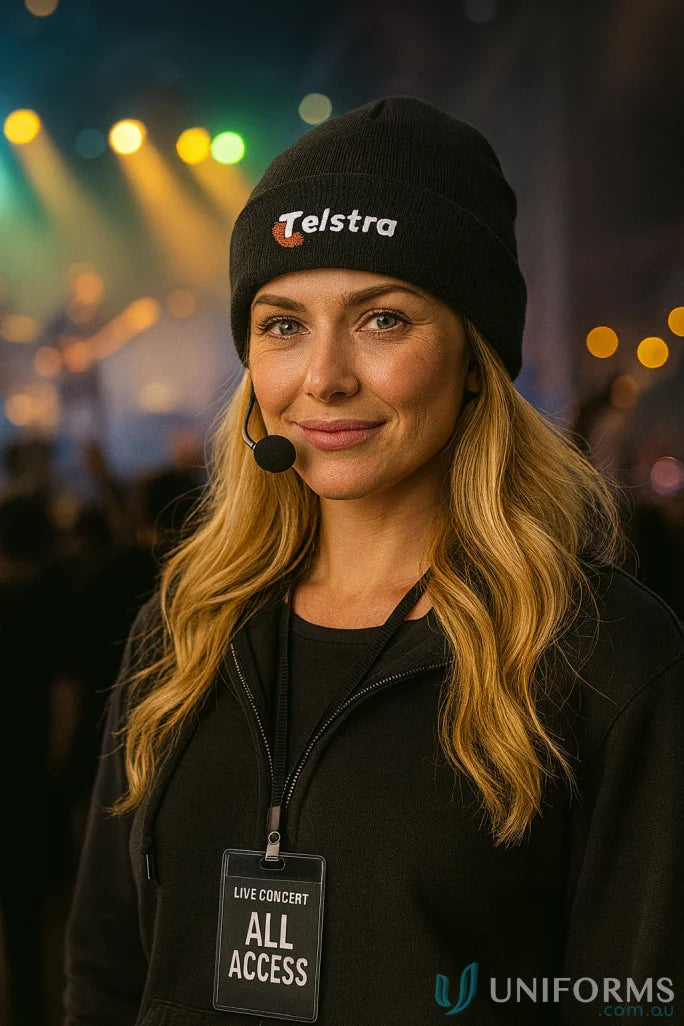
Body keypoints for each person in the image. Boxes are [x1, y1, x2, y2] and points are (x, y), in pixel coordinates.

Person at [63, 96, 684, 1026]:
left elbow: (634, 999)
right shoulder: (184, 632)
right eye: (282, 325)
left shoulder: (606, 657)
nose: (323, 378)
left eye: (382, 319)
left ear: (476, 359)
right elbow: (107, 976)